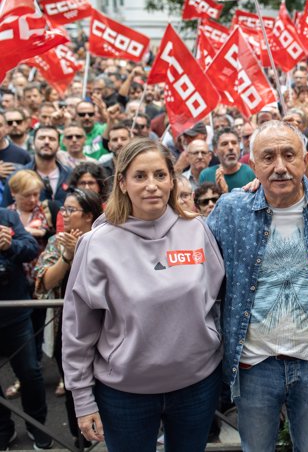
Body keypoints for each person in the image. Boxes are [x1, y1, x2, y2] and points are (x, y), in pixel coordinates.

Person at [61, 138, 225, 451]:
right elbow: (77, 330)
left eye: (160, 175)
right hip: (125, 394)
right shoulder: (96, 243)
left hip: (197, 386)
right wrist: (82, 399)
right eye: (140, 176)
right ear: (121, 183)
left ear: (172, 180)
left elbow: (218, 300)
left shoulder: (197, 230)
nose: (152, 185)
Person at [207, 121, 308, 451]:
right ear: (252, 166)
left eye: (289, 155)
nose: (280, 167)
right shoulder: (232, 210)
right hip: (255, 365)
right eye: (268, 158)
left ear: (304, 160)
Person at [34, 189, 103, 448]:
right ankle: (81, 438)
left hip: (107, 326)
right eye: (63, 210)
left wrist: (85, 252)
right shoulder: (57, 242)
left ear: (88, 216)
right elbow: (44, 283)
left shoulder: (106, 239)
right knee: (76, 387)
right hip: (69, 327)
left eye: (70, 210)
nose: (64, 215)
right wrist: (67, 257)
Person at [0, 207, 52, 450]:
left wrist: (9, 247)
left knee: (30, 373)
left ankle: (36, 425)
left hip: (15, 313)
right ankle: (2, 429)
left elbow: (31, 249)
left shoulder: (7, 217)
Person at [199, 127, 255, 193]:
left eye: (234, 143)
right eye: (224, 144)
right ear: (215, 150)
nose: (230, 147)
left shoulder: (251, 172)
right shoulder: (206, 175)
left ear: (240, 147)